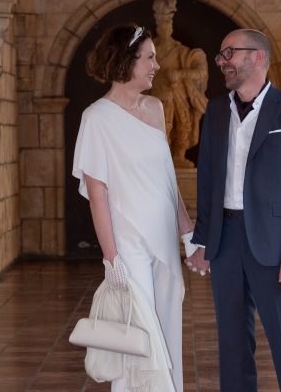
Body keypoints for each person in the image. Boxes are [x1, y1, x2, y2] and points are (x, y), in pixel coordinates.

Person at [186, 29, 281, 391]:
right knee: (231, 343)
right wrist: (202, 240)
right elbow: (209, 179)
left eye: (230, 52)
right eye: (221, 55)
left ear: (258, 57)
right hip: (225, 241)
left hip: (275, 246)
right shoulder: (215, 110)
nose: (222, 61)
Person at [72, 24, 194, 392]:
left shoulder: (155, 108)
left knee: (167, 327)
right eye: (150, 58)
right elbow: (98, 196)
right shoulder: (96, 118)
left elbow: (167, 179)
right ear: (126, 61)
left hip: (164, 240)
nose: (157, 65)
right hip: (128, 244)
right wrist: (112, 259)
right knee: (138, 337)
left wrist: (187, 232)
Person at [151, 0, 208, 168]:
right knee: (161, 127)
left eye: (168, 24)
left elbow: (200, 71)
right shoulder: (149, 50)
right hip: (157, 94)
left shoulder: (182, 52)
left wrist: (181, 74)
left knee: (183, 124)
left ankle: (178, 156)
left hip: (179, 95)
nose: (165, 28)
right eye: (161, 24)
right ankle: (160, 157)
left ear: (171, 27)